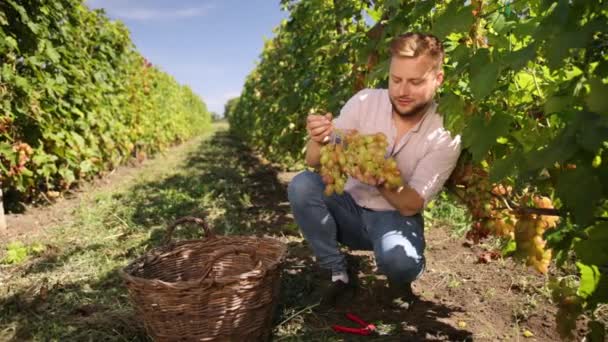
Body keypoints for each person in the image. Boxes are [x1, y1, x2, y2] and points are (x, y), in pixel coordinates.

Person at [287, 32, 462, 309]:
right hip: (348, 207)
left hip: (394, 218)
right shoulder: (365, 102)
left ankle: (399, 274)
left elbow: (412, 203)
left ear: (438, 79)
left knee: (399, 262)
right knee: (302, 185)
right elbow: (312, 159)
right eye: (396, 80)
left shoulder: (445, 133)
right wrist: (320, 136)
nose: (402, 91)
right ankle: (337, 271)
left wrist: (380, 179)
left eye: (415, 82)